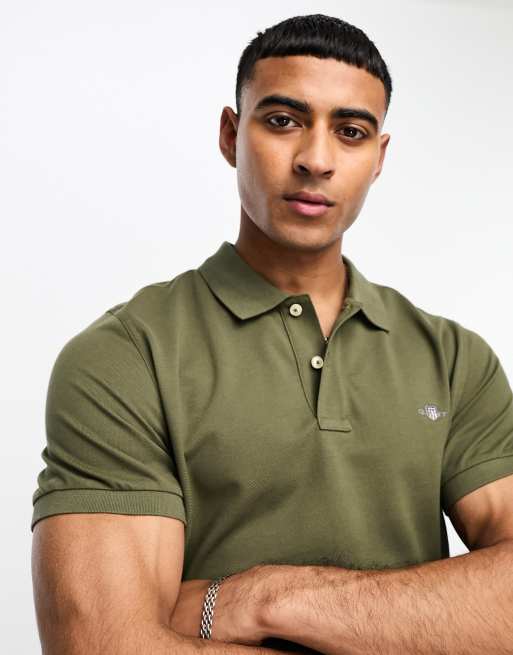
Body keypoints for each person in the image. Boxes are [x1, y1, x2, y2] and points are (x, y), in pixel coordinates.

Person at [31, 13, 513, 655]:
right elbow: (101, 646)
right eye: (283, 121)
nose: (316, 160)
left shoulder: (454, 361)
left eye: (350, 132)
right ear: (231, 135)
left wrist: (264, 599)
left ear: (379, 158)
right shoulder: (126, 357)